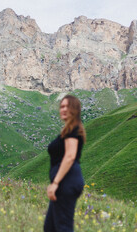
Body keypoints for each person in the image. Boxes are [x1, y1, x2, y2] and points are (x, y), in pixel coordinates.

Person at [44, 95, 86, 232]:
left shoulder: (72, 129)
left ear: (74, 109)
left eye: (67, 106)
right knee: (50, 227)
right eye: (61, 106)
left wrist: (55, 183)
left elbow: (70, 156)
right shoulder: (70, 130)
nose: (63, 109)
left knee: (63, 227)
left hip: (66, 181)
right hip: (67, 181)